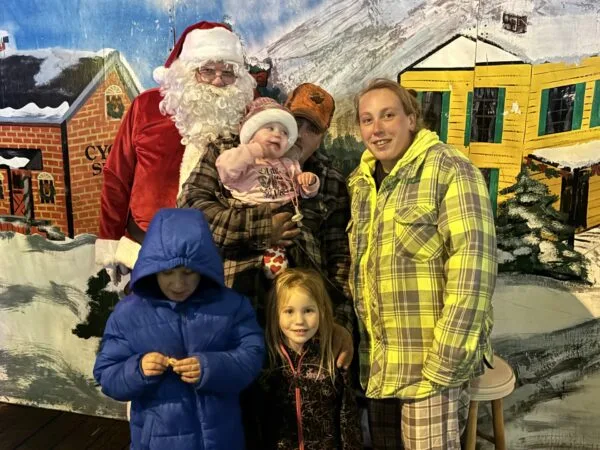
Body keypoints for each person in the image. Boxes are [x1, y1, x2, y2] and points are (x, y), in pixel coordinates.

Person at [348, 78, 497, 449]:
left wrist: (445, 361)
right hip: (379, 365)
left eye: (388, 115)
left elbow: (474, 270)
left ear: (411, 119)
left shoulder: (449, 168)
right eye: (367, 119)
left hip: (429, 369)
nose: (377, 129)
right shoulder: (361, 182)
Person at [178, 83, 354, 362]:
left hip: (300, 328)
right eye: (296, 122)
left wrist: (341, 320)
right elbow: (189, 211)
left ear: (322, 137)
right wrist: (260, 228)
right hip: (231, 312)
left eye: (313, 129)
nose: (300, 135)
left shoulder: (328, 179)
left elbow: (340, 257)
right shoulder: (230, 153)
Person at [93, 208, 264, 449]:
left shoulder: (231, 307)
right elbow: (107, 374)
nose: (178, 284)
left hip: (221, 440)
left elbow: (252, 356)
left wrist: (209, 367)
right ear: (152, 268)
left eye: (188, 272)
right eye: (167, 272)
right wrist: (138, 369)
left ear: (204, 266)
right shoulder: (129, 314)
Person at [95, 21, 255, 278]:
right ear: (186, 71)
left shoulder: (248, 116)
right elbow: (117, 175)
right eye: (207, 70)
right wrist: (110, 239)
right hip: (146, 246)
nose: (218, 81)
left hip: (219, 253)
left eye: (228, 73)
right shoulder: (147, 107)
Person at [216, 96, 320, 279]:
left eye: (284, 133)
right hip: (251, 213)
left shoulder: (288, 163)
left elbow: (302, 191)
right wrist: (254, 149)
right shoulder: (245, 158)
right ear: (251, 133)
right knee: (257, 276)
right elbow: (226, 169)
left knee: (296, 270)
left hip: (289, 217)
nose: (277, 134)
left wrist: (310, 183)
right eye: (269, 128)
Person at [261, 268, 362, 450]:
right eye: (289, 311)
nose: (299, 320)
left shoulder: (333, 357)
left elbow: (348, 419)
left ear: (322, 310)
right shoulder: (266, 363)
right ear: (275, 313)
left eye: (308, 310)